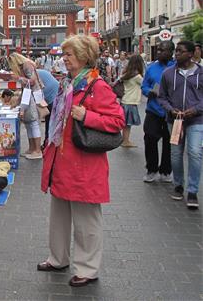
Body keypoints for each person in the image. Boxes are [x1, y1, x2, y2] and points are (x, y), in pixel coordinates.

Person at [38, 35, 125, 287]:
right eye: (64, 54)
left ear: (84, 56)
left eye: (70, 54)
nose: (65, 59)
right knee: (59, 216)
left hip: (84, 163)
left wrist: (87, 116)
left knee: (86, 219)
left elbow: (117, 121)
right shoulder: (69, 82)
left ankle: (87, 268)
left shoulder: (97, 86)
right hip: (62, 160)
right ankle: (58, 258)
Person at [158, 41, 203, 210]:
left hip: (196, 120)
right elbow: (162, 97)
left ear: (191, 54)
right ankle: (178, 185)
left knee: (195, 152)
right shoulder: (168, 73)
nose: (176, 54)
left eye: (180, 51)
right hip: (175, 121)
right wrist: (170, 110)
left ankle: (192, 191)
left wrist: (196, 109)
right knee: (176, 154)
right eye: (175, 51)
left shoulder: (201, 73)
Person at [141, 41, 175, 183]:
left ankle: (166, 170)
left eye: (163, 50)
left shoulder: (177, 67)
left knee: (169, 142)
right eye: (158, 50)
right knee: (150, 139)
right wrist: (150, 92)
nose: (159, 53)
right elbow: (144, 86)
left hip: (171, 112)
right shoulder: (151, 68)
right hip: (154, 110)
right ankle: (152, 169)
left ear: (171, 52)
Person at [8, 52, 43, 159]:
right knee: (28, 123)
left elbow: (32, 81)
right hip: (29, 95)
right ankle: (32, 148)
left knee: (33, 123)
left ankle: (37, 150)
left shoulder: (27, 65)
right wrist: (18, 102)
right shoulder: (24, 66)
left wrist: (18, 78)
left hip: (33, 96)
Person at [119, 54, 144, 147]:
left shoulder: (126, 73)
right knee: (128, 123)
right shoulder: (137, 76)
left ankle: (124, 140)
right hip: (131, 101)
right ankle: (125, 141)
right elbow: (144, 83)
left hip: (125, 99)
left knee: (125, 123)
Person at [36, 69, 59, 147]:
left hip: (53, 97)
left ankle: (48, 144)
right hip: (54, 94)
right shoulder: (37, 72)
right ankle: (47, 143)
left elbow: (36, 90)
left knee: (50, 122)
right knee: (50, 122)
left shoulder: (31, 75)